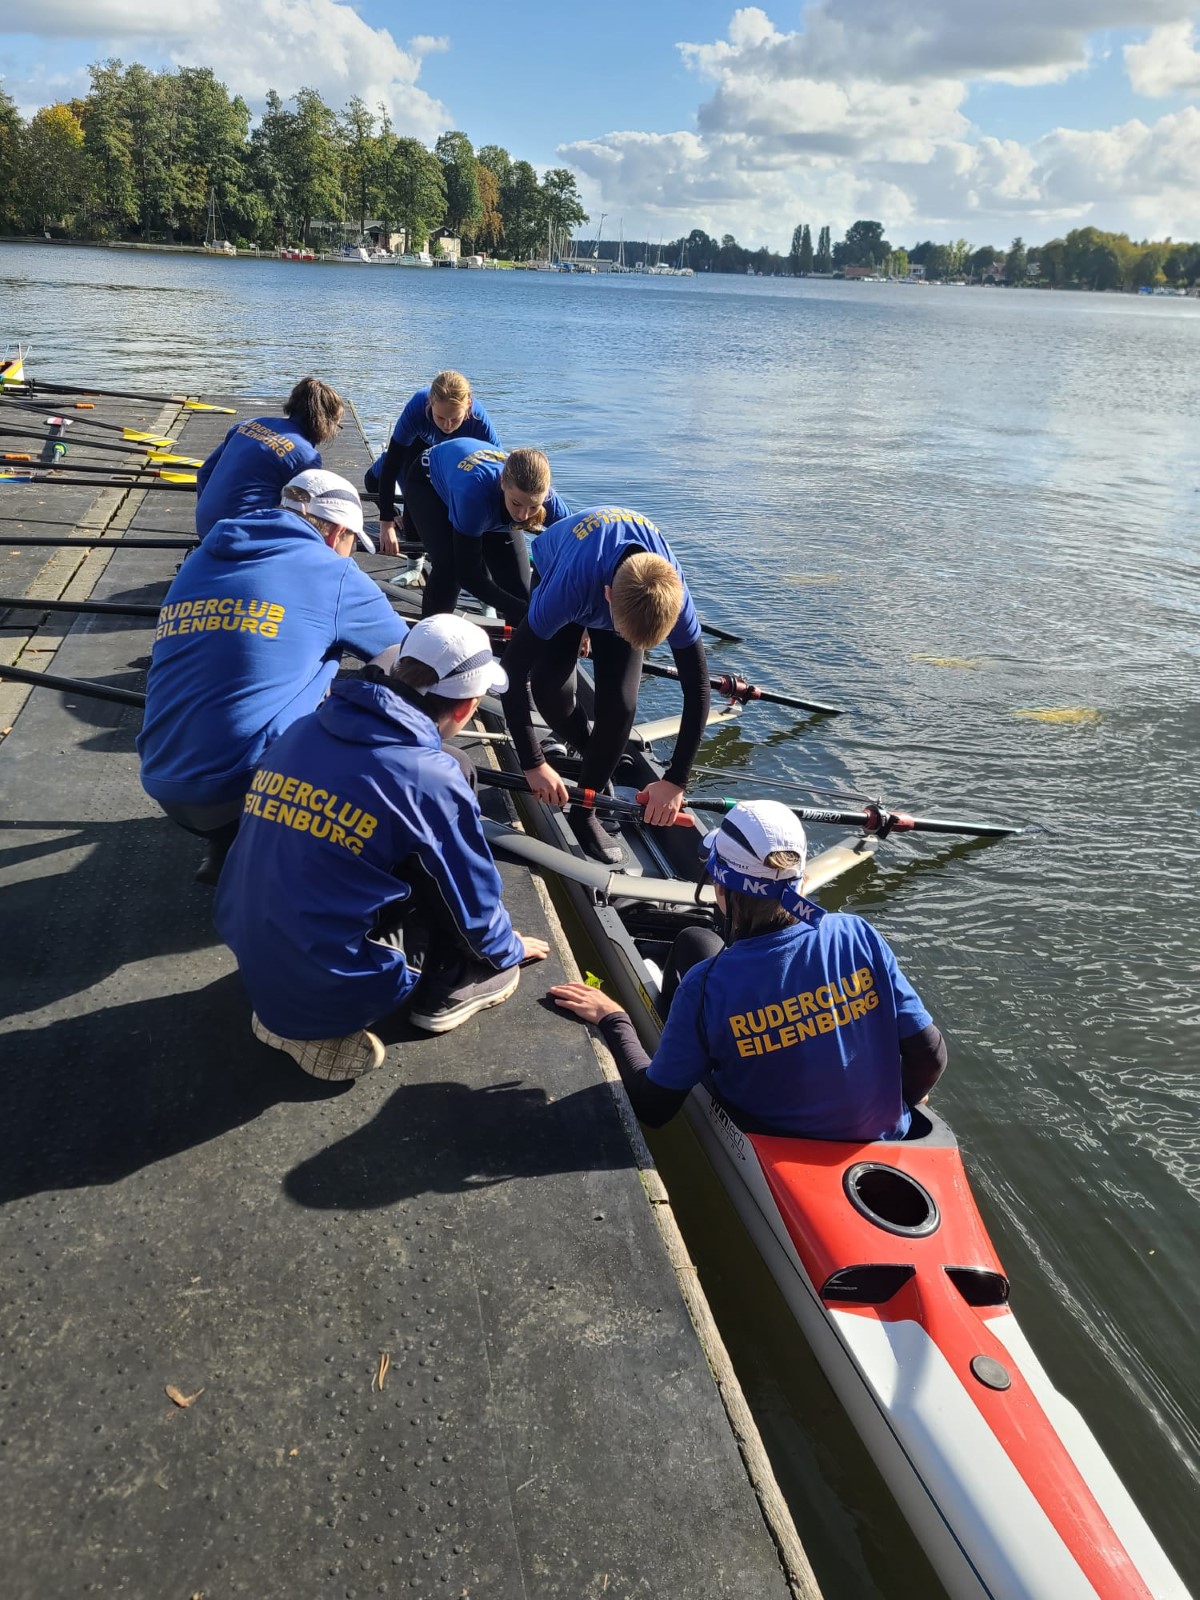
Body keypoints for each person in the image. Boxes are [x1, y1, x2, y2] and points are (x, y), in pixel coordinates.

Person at [213, 615, 550, 1081]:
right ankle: (450, 985)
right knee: (444, 887)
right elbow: (469, 897)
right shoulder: (428, 779)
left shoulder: (304, 728)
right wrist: (505, 949)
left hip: (244, 934)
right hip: (341, 985)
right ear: (467, 707)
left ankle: (285, 999)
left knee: (451, 770)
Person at [550, 800, 947, 1139]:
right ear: (801, 878)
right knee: (695, 940)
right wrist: (901, 1099)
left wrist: (614, 1018)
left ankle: (678, 1043)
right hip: (882, 1132)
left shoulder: (705, 986)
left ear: (720, 887)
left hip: (775, 1147)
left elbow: (653, 1110)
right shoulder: (856, 934)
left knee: (695, 949)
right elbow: (930, 1056)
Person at [138, 470, 406, 883]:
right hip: (242, 792)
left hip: (162, 779)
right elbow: (413, 661)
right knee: (367, 710)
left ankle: (227, 848)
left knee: (258, 679)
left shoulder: (201, 559)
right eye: (353, 544)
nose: (350, 555)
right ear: (337, 533)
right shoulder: (333, 573)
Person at [499, 507, 711, 864]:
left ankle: (585, 810)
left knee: (621, 706)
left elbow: (698, 688)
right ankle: (593, 756)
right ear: (608, 595)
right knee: (549, 691)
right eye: (620, 632)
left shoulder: (676, 598)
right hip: (558, 565)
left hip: (619, 584)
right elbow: (512, 672)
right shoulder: (568, 591)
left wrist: (676, 780)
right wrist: (532, 762)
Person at [406, 438, 570, 622]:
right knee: (449, 569)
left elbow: (580, 551)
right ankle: (430, 631)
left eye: (534, 507)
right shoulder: (474, 495)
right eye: (516, 503)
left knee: (519, 592)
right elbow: (468, 576)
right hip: (429, 483)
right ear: (503, 483)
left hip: (485, 497)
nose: (523, 515)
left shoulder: (551, 503)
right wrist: (526, 612)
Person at [365, 371, 502, 556]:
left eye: (455, 419)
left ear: (468, 405)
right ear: (430, 402)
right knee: (372, 481)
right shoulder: (417, 407)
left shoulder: (479, 421)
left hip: (454, 457)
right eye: (440, 417)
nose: (447, 425)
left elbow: (500, 473)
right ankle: (403, 526)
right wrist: (386, 523)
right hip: (418, 444)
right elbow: (391, 466)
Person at [194, 377, 344, 537]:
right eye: (337, 425)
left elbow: (204, 473)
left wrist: (210, 520)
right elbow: (306, 514)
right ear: (325, 421)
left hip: (205, 525)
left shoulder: (248, 424)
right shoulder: (306, 456)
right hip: (241, 534)